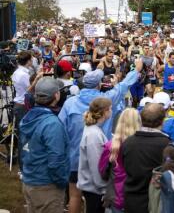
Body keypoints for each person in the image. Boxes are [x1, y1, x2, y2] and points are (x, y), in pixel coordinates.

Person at [59, 58, 143, 213]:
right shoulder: (106, 100)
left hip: (74, 157)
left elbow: (61, 129)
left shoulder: (70, 103)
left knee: (75, 197)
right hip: (100, 161)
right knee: (97, 201)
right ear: (99, 84)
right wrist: (136, 70)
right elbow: (124, 86)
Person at [20, 77, 69, 213]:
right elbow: (56, 159)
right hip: (46, 186)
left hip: (30, 180)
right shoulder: (52, 124)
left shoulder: (28, 116)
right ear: (56, 95)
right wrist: (61, 182)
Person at [122, 103, 170, 213]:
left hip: (131, 201)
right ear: (162, 121)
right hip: (153, 203)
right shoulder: (166, 144)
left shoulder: (128, 142)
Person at [98, 108, 141, 213]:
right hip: (138, 196)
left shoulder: (111, 146)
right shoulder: (143, 146)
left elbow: (103, 171)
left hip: (117, 195)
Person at [77, 98, 112, 213]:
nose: (111, 111)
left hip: (94, 188)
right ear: (104, 112)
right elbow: (96, 165)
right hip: (95, 190)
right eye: (110, 109)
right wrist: (103, 189)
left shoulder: (95, 130)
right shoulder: (94, 135)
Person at [13, 51, 43, 168]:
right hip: (23, 105)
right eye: (31, 59)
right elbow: (29, 90)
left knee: (23, 135)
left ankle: (25, 164)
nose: (33, 61)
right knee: (24, 136)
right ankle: (23, 166)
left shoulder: (19, 72)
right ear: (28, 61)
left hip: (20, 104)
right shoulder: (23, 74)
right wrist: (37, 79)